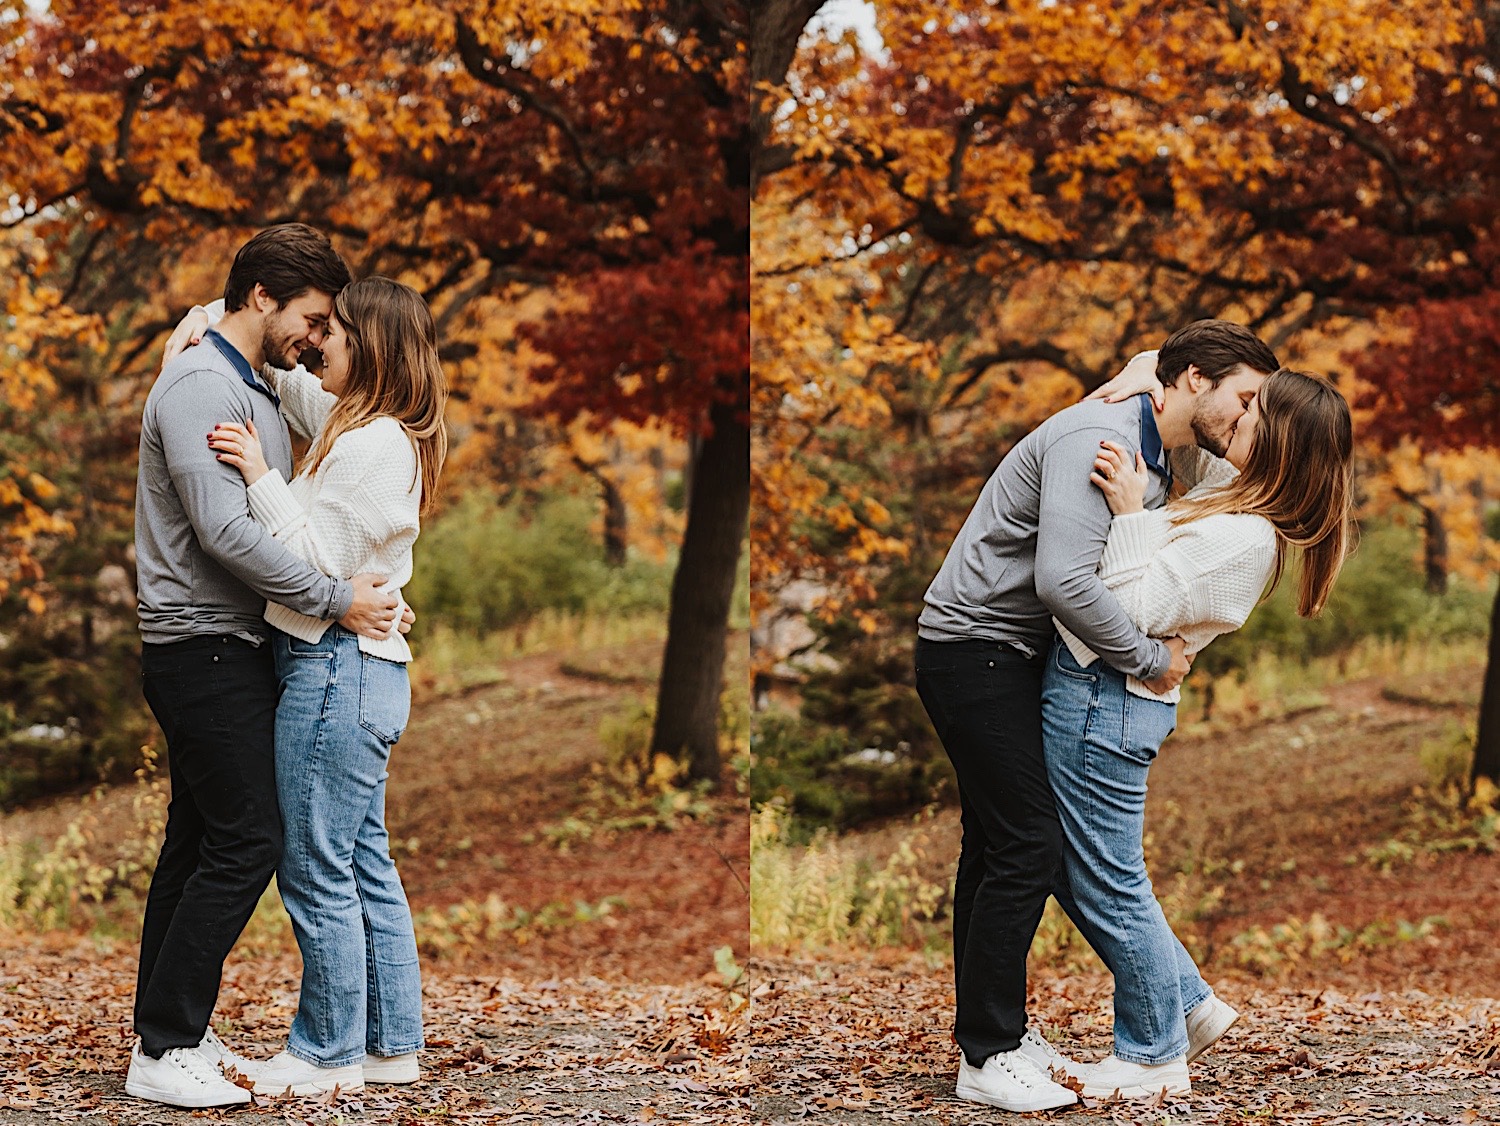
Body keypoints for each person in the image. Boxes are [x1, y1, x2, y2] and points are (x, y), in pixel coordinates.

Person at [914, 320, 1280, 1112]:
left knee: (995, 844)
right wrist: (1151, 661)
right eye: (1245, 399)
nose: (1249, 418)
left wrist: (1146, 360)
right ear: (1194, 383)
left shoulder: (1170, 441)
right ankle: (988, 1053)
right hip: (974, 648)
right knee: (1027, 844)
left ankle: (996, 1030)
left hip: (1005, 653)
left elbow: (1187, 393)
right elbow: (1065, 585)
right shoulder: (1103, 436)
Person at [127, 225, 410, 1110]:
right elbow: (226, 531)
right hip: (199, 644)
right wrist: (337, 597)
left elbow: (336, 454)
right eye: (313, 318)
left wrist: (363, 589)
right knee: (254, 838)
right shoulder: (205, 384)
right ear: (263, 301)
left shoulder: (248, 381)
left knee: (200, 838)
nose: (319, 338)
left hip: (231, 643)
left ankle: (169, 1032)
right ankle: (166, 1042)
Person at [1042, 364, 1352, 1099]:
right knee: (1066, 862)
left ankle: (1151, 1054)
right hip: (1104, 698)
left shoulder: (1244, 538)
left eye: (1250, 412)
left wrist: (1128, 514)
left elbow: (1130, 614)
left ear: (1274, 442)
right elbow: (1192, 419)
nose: (1233, 416)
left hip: (1106, 698)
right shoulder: (1230, 493)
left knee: (1110, 881)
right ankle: (1187, 1004)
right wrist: (1152, 364)